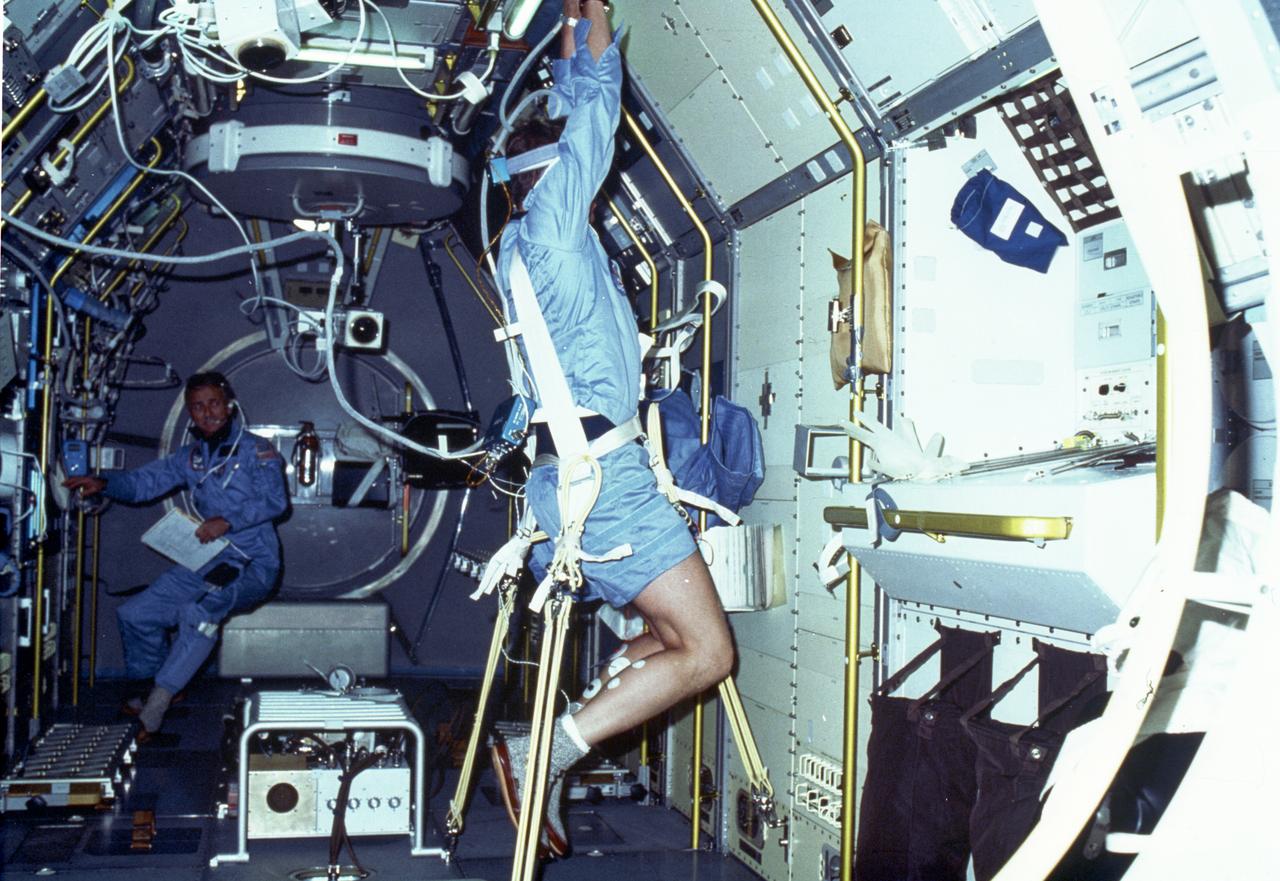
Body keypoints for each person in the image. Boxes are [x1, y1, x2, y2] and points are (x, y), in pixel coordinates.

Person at [489, 0, 734, 857]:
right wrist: (591, 14)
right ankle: (544, 749)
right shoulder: (556, 229)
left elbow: (570, 99)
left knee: (662, 634)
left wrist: (571, 27)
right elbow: (594, 103)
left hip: (567, 486)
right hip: (609, 489)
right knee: (707, 653)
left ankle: (560, 747)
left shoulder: (516, 245)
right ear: (549, 170)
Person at [64, 371, 287, 735]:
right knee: (137, 613)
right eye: (197, 407)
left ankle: (157, 705)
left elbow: (275, 501)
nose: (207, 413)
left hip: (252, 564)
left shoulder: (256, 450)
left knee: (201, 611)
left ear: (229, 406)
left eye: (213, 403)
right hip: (213, 557)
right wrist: (104, 483)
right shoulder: (191, 457)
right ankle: (151, 684)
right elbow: (143, 483)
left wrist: (227, 520)